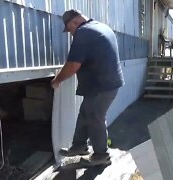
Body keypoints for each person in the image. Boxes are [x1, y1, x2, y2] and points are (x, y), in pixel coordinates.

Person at [51, 9, 124, 166]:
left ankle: (101, 155)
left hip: (103, 86)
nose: (71, 34)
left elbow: (73, 65)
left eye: (70, 29)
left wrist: (57, 80)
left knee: (95, 117)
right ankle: (79, 146)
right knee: (85, 112)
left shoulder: (84, 32)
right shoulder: (100, 27)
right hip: (104, 84)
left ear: (75, 22)